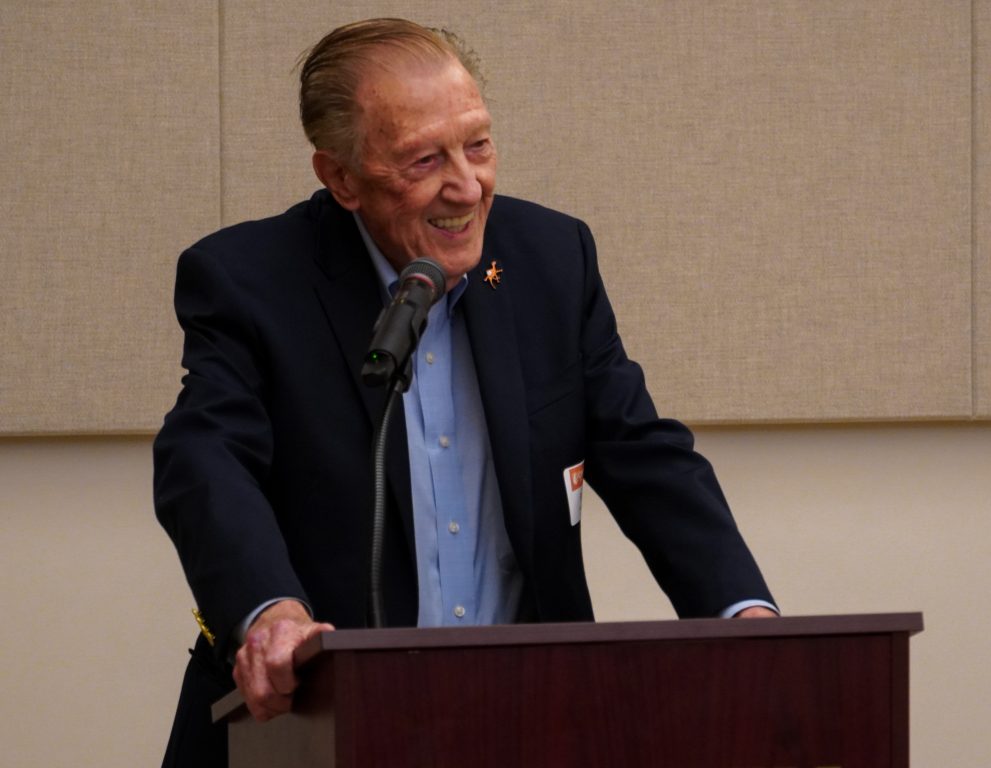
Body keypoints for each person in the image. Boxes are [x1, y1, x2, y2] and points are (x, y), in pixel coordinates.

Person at [154, 18, 776, 767]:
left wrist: (744, 616)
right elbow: (206, 458)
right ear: (341, 177)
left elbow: (642, 451)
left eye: (477, 144)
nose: (467, 184)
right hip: (313, 727)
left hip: (525, 718)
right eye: (423, 159)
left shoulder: (550, 258)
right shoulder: (250, 279)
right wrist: (270, 616)